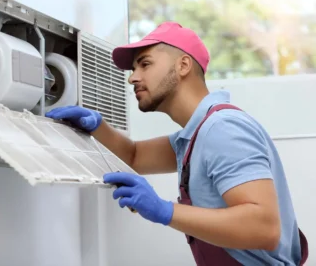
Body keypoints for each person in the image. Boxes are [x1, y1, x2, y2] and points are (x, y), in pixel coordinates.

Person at [45, 22, 308, 265]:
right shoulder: (195, 135)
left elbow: (264, 228)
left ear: (183, 66)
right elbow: (134, 156)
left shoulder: (222, 129)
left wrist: (164, 210)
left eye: (144, 64)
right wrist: (97, 126)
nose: (132, 78)